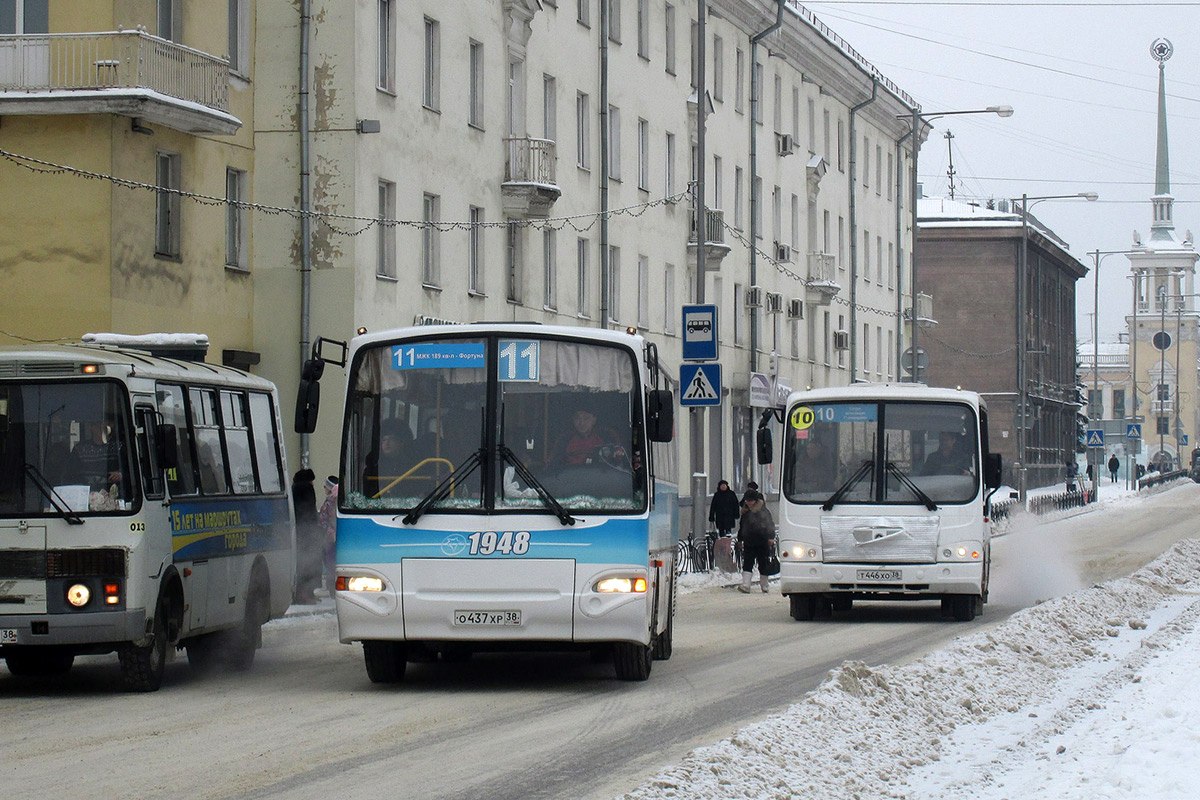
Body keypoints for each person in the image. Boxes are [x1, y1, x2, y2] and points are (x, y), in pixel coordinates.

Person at [736, 490, 776, 594]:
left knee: (763, 563)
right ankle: (746, 585)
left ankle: (765, 586)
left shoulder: (763, 511)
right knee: (748, 563)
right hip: (749, 542)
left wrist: (771, 537)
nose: (749, 502)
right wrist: (740, 539)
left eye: (751, 500)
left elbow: (770, 525)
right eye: (747, 500)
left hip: (762, 541)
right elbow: (742, 527)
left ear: (756, 500)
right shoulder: (745, 512)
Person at [291, 469, 321, 604]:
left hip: (299, 530)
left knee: (303, 563)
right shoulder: (306, 488)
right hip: (307, 530)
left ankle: (305, 593)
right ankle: (305, 594)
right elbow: (309, 509)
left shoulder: (294, 488)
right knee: (308, 564)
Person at [707, 479, 740, 569]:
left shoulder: (731, 494)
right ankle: (722, 546)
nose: (723, 487)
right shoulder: (717, 495)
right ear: (719, 486)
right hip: (720, 517)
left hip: (729, 516)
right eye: (722, 485)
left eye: (724, 485)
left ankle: (728, 546)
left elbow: (735, 504)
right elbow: (713, 506)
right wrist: (711, 516)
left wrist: (737, 514)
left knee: (728, 531)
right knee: (721, 531)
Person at [318, 475, 339, 593]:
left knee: (330, 561)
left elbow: (323, 518)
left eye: (325, 486)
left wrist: (326, 530)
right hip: (343, 536)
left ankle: (331, 587)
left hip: (330, 537)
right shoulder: (343, 499)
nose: (324, 488)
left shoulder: (329, 501)